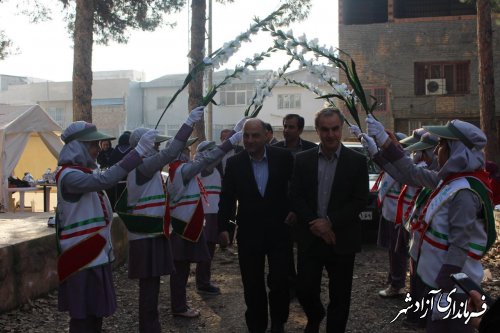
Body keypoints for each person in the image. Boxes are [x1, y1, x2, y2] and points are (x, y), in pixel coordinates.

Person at [366, 116, 497, 333]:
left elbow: (459, 245)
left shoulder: (464, 191)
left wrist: (444, 290)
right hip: (438, 281)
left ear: (457, 151)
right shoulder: (451, 181)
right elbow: (409, 172)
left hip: (452, 288)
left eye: (442, 145)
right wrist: (382, 143)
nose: (436, 152)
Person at [55, 121, 156, 333]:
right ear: (77, 146)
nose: (97, 150)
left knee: (95, 311)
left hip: (95, 253)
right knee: (82, 317)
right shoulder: (69, 176)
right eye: (93, 145)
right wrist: (137, 152)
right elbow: (106, 180)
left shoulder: (84, 172)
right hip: (80, 255)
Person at [115, 106, 204, 333]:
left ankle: (151, 325)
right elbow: (171, 152)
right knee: (149, 286)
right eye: (154, 145)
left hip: (152, 233)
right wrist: (187, 123)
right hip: (147, 235)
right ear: (142, 147)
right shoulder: (142, 167)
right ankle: (149, 327)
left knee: (152, 284)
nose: (157, 149)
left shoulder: (147, 169)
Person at [289, 108, 368, 333]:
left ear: (341, 128)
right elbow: (295, 195)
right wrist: (316, 223)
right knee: (304, 289)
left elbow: (359, 200)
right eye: (325, 129)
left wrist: (330, 221)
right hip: (311, 237)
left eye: (335, 129)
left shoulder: (357, 161)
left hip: (341, 239)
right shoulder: (303, 160)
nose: (331, 135)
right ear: (318, 130)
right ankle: (315, 315)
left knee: (340, 296)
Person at [218, 118, 295, 333]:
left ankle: (279, 322)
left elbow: (296, 186)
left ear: (266, 136)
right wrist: (224, 227)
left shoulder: (283, 158)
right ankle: (256, 325)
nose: (250, 140)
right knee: (252, 284)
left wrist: (295, 211)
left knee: (280, 281)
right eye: (246, 136)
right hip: (249, 233)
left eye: (255, 136)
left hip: (279, 231)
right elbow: (226, 197)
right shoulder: (235, 163)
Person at [168, 121, 244, 318]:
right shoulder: (188, 169)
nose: (187, 150)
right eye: (185, 147)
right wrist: (234, 135)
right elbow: (212, 158)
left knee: (190, 261)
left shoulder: (186, 168)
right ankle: (181, 303)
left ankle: (181, 303)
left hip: (191, 218)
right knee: (184, 265)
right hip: (186, 222)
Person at [194, 141, 223, 295]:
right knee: (206, 249)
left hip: (212, 211)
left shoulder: (209, 168)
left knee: (209, 248)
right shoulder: (204, 168)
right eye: (211, 150)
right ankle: (203, 283)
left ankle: (204, 280)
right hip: (206, 212)